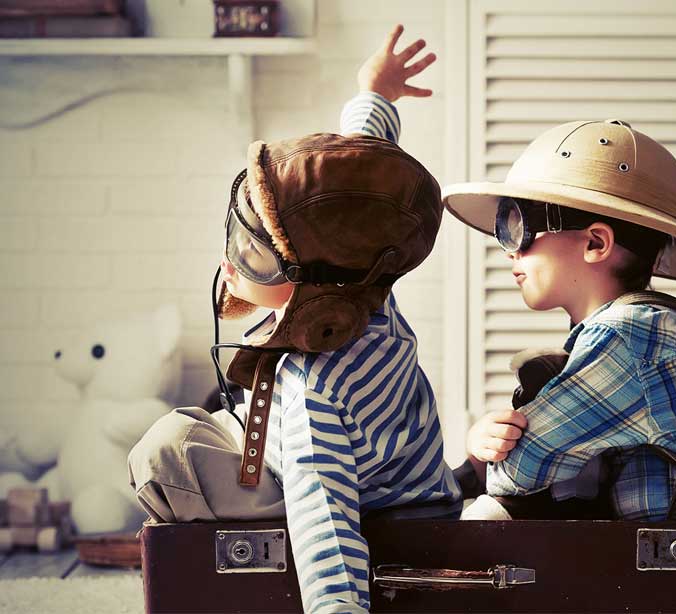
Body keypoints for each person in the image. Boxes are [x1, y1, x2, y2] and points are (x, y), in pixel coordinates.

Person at [128, 25, 461, 614]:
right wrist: (375, 93)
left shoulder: (314, 388)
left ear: (317, 283)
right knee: (203, 421)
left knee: (167, 447)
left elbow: (321, 513)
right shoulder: (368, 285)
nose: (230, 263)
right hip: (400, 480)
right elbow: (354, 180)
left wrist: (335, 606)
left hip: (378, 508)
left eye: (253, 253)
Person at [443, 119, 676, 521]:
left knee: (484, 518)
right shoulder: (637, 326)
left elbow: (516, 474)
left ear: (595, 243)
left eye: (517, 227)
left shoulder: (628, 334)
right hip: (670, 568)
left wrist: (478, 445)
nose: (509, 251)